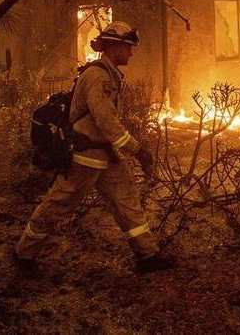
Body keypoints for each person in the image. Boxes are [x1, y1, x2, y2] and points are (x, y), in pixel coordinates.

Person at [15, 21, 174, 274]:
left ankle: (148, 256)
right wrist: (137, 149)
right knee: (58, 203)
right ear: (114, 47)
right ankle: (24, 255)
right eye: (128, 47)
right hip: (85, 158)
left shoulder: (108, 74)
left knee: (127, 201)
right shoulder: (98, 77)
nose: (132, 53)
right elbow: (106, 122)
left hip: (106, 156)